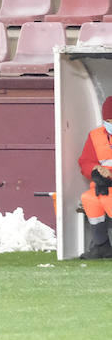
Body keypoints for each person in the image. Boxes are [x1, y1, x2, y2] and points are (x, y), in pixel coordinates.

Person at [78, 97, 112, 259]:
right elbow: (85, 162)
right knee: (88, 199)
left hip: (108, 188)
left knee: (107, 200)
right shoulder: (95, 136)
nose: (110, 123)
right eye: (108, 120)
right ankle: (101, 246)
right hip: (102, 186)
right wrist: (95, 169)